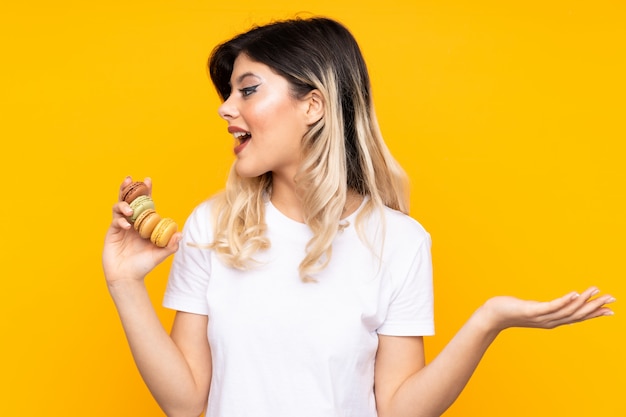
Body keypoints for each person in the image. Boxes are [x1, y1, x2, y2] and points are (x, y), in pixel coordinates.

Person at [102, 16, 615, 417]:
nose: (225, 108)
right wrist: (124, 282)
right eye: (229, 92)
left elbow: (398, 408)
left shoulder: (399, 241)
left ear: (314, 105)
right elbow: (185, 401)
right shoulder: (212, 227)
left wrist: (489, 320)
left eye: (249, 89)